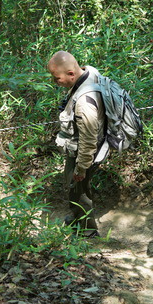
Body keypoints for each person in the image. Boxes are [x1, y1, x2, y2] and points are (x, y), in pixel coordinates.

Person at [47, 51, 107, 237]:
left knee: (78, 189)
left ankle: (87, 232)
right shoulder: (90, 72)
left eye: (57, 78)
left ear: (72, 74)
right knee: (73, 186)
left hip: (86, 152)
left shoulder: (84, 102)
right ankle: (76, 218)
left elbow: (88, 140)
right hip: (89, 145)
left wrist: (81, 168)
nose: (55, 82)